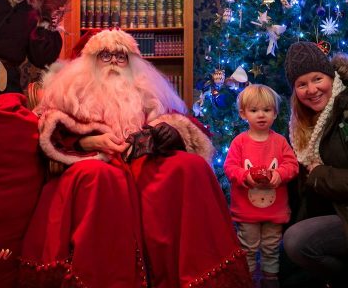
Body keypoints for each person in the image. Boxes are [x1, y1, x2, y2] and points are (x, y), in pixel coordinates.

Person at [19, 29, 252, 288]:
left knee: (190, 166)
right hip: (93, 161)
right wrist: (87, 142)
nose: (113, 62)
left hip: (142, 161)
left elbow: (179, 122)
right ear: (90, 60)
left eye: (121, 56)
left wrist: (170, 134)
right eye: (105, 55)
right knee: (100, 178)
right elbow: (50, 132)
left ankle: (196, 275)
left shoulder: (146, 91)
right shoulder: (71, 93)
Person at [282, 41, 348, 288]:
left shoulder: (345, 110)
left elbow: (319, 176)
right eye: (302, 84)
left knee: (297, 241)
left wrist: (319, 175)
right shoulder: (300, 126)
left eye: (317, 79)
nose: (311, 90)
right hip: (333, 211)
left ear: (331, 77)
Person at [224, 84, 298, 288]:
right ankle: (247, 279)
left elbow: (292, 165)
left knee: (271, 247)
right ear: (243, 114)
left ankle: (270, 279)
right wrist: (245, 175)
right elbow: (230, 167)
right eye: (254, 110)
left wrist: (279, 173)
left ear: (275, 113)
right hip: (246, 211)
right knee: (247, 247)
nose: (261, 115)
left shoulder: (280, 142)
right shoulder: (239, 142)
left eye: (267, 110)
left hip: (275, 211)